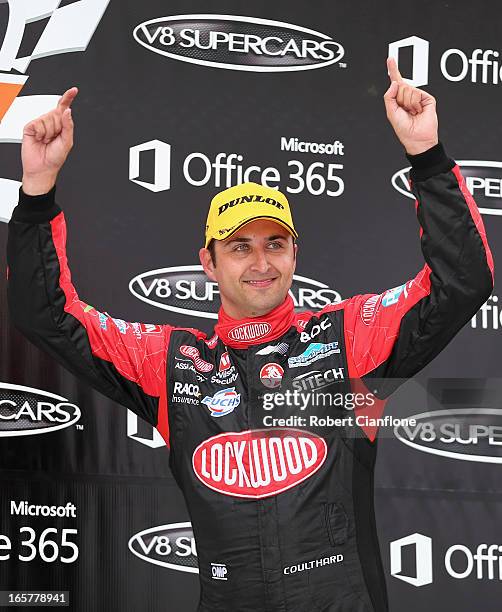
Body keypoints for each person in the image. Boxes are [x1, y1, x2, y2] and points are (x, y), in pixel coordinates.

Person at [7, 58, 494, 612]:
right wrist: (38, 190)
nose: (260, 261)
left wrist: (427, 158)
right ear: (208, 264)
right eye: (239, 247)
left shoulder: (348, 339)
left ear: (294, 255)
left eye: (274, 244)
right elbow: (46, 314)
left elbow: (462, 281)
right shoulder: (171, 362)